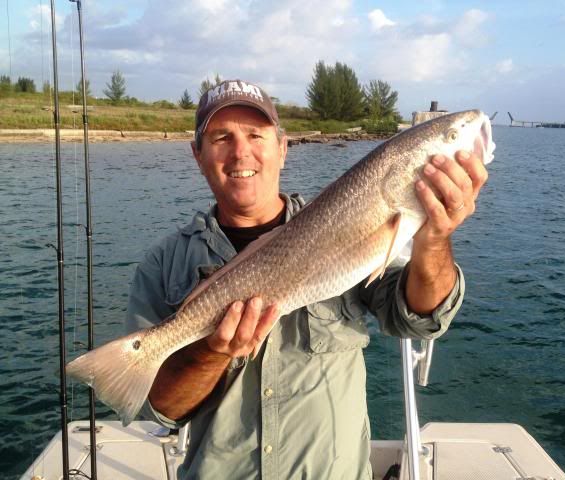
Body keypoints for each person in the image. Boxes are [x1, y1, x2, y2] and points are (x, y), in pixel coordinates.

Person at [126, 79, 488, 479]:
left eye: (255, 135)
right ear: (197, 154)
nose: (241, 152)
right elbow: (163, 408)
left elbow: (417, 318)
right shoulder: (163, 263)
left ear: (283, 147)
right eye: (221, 138)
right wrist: (212, 352)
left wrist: (435, 239)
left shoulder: (345, 218)